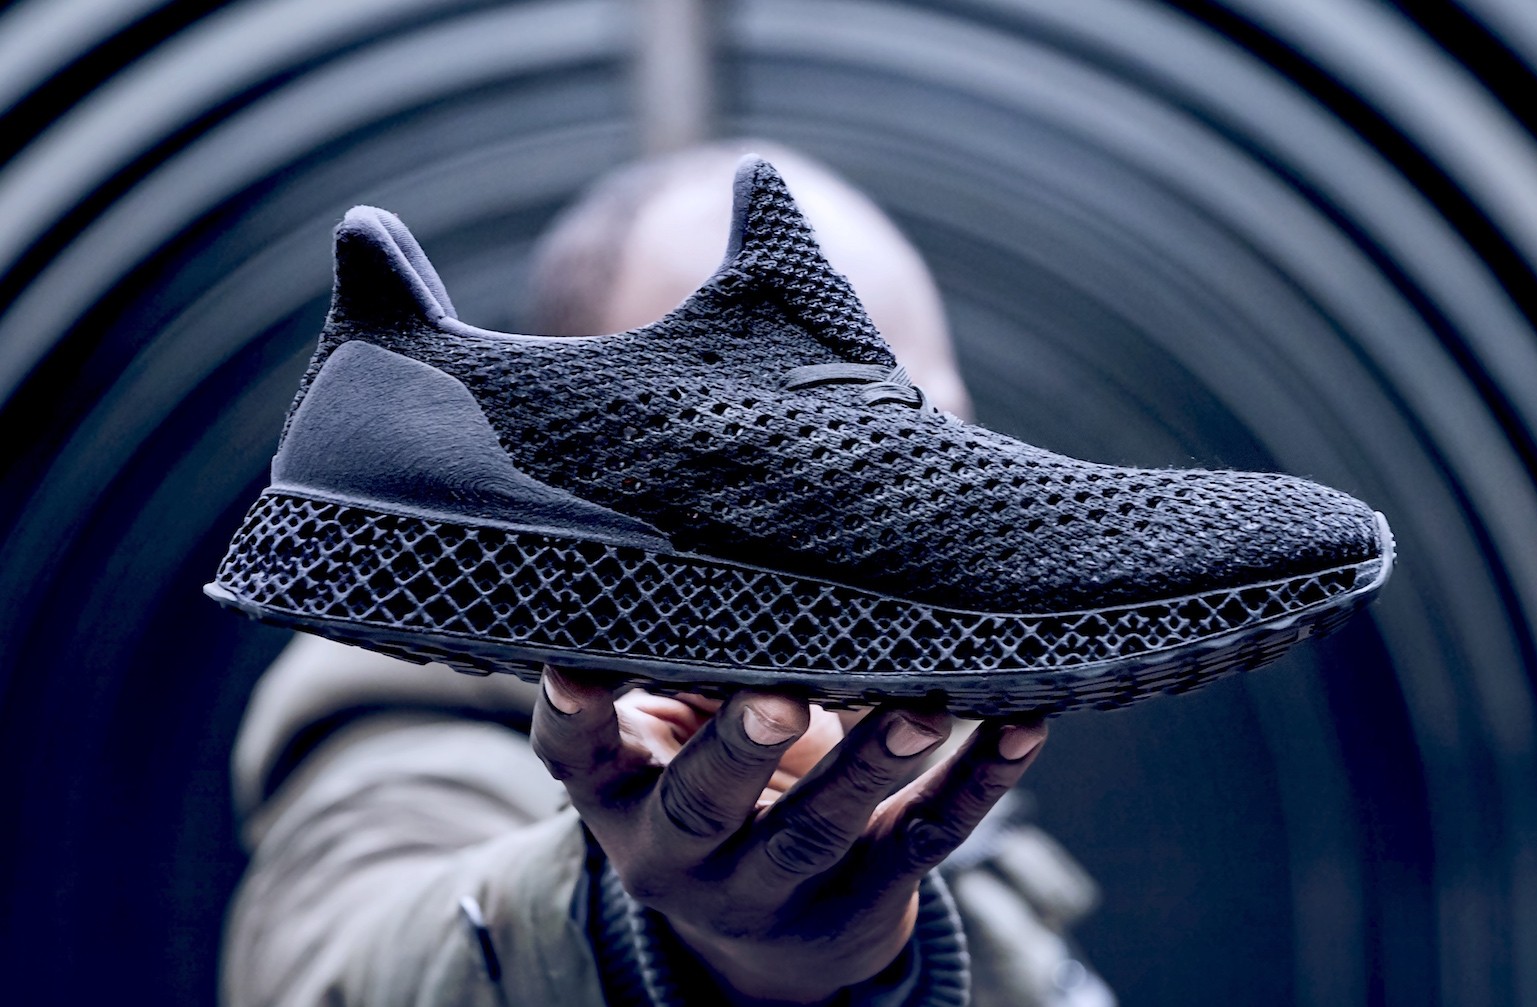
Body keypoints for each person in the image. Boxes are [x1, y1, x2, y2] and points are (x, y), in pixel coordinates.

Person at [222, 143, 1114, 1007]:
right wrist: (667, 939)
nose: (907, 494)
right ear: (570, 459)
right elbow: (344, 961)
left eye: (933, 432)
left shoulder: (939, 738)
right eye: (807, 439)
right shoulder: (415, 712)